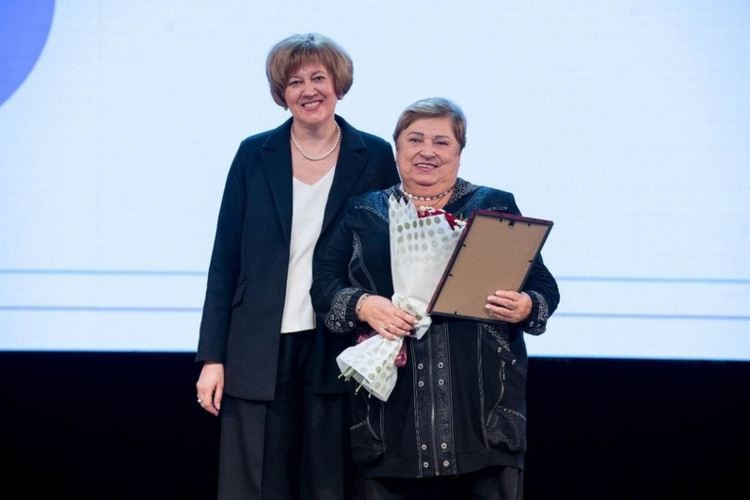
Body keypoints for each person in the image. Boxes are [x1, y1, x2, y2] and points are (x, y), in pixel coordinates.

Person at [311, 97, 560, 499]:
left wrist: (527, 305)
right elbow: (324, 283)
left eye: (441, 142)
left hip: (482, 414)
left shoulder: (492, 206)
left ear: (459, 152)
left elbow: (543, 285)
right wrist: (363, 304)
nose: (427, 151)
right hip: (390, 419)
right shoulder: (364, 212)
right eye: (415, 140)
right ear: (397, 149)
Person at [195, 33, 400, 500]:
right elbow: (225, 259)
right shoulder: (254, 154)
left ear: (338, 83)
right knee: (256, 485)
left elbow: (390, 253)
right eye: (295, 82)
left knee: (328, 483)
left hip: (338, 343)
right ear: (281, 93)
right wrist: (212, 357)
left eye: (318, 78)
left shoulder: (373, 155)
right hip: (258, 346)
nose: (309, 90)